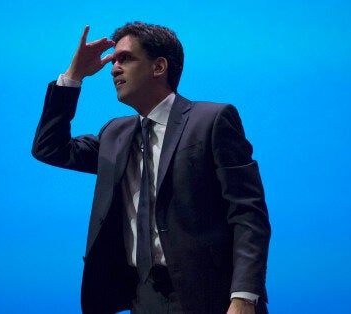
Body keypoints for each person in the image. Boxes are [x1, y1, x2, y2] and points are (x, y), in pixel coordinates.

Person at [32, 22, 271, 314]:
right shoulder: (115, 134)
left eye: (125, 58)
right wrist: (73, 76)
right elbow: (50, 148)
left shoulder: (211, 121)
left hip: (212, 298)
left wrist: (244, 297)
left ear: (159, 66)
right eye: (113, 60)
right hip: (143, 298)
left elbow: (248, 213)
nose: (113, 69)